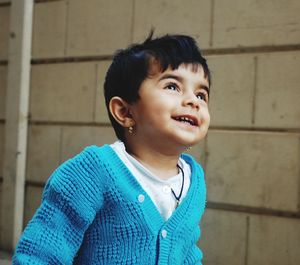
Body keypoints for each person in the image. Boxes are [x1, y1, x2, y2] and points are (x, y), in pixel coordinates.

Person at [13, 32, 211, 264]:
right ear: (125, 112)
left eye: (201, 94)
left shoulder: (194, 180)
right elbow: (41, 253)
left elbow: (187, 252)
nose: (193, 101)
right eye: (172, 86)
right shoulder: (92, 171)